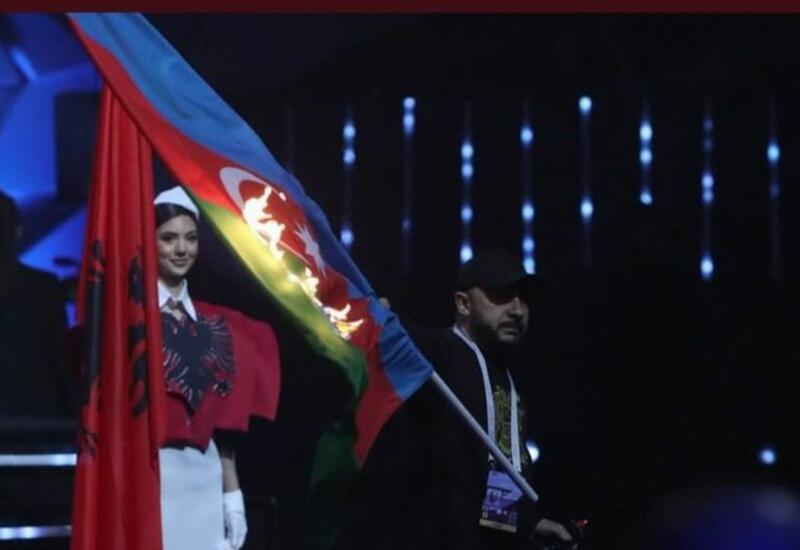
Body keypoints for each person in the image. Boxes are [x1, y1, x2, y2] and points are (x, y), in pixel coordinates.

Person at [338, 249, 577, 550]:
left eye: (523, 299)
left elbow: (495, 475)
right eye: (501, 296)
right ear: (464, 304)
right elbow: (392, 332)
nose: (518, 310)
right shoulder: (439, 353)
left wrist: (527, 525)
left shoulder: (506, 381)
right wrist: (377, 317)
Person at [153, 186, 280, 550]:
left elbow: (224, 422)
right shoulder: (132, 321)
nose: (182, 249)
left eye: (191, 238)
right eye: (169, 238)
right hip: (152, 476)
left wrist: (232, 495)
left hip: (204, 479)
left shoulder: (219, 325)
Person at [0, 190, 73, 418]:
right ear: (18, 231)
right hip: (37, 420)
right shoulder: (44, 288)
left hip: (36, 421)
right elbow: (60, 363)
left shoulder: (44, 287)